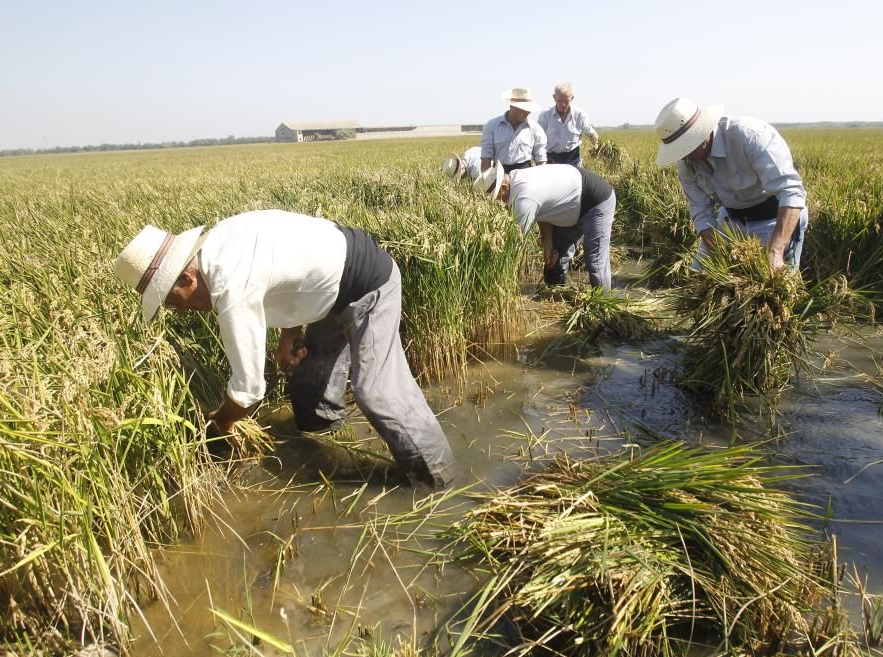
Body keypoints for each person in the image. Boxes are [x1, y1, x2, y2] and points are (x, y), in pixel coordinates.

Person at [112, 210, 455, 488]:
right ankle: (328, 448)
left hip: (369, 283)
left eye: (172, 301)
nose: (180, 311)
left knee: (377, 392)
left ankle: (438, 480)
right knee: (308, 386)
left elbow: (248, 391)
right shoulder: (217, 243)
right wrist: (290, 334)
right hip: (330, 288)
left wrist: (219, 424)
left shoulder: (230, 285)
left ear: (186, 279)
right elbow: (289, 273)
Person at [653, 97, 808, 271]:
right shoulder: (686, 162)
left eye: (689, 144)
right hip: (731, 219)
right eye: (682, 148)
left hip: (773, 219)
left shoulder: (750, 136)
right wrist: (719, 255)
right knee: (700, 275)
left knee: (774, 284)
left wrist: (776, 251)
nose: (687, 152)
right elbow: (700, 211)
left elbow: (791, 192)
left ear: (702, 130)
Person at [474, 163, 615, 289]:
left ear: (504, 188)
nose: (500, 204)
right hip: (570, 204)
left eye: (497, 198)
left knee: (595, 260)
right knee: (555, 259)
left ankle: (603, 308)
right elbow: (544, 209)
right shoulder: (516, 178)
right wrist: (547, 242)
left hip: (595, 200)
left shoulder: (524, 198)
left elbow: (513, 247)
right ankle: (556, 293)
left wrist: (496, 279)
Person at [480, 88, 547, 174]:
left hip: (525, 175)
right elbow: (486, 158)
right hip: (499, 174)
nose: (528, 112)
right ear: (512, 106)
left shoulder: (536, 129)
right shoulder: (492, 126)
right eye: (525, 108)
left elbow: (541, 161)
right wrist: (487, 182)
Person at [537, 81, 599, 167]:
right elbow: (538, 140)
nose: (563, 104)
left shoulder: (580, 115)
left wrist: (596, 147)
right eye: (559, 101)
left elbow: (592, 134)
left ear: (572, 98)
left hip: (573, 160)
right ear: (554, 97)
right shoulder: (544, 116)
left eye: (566, 101)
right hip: (551, 160)